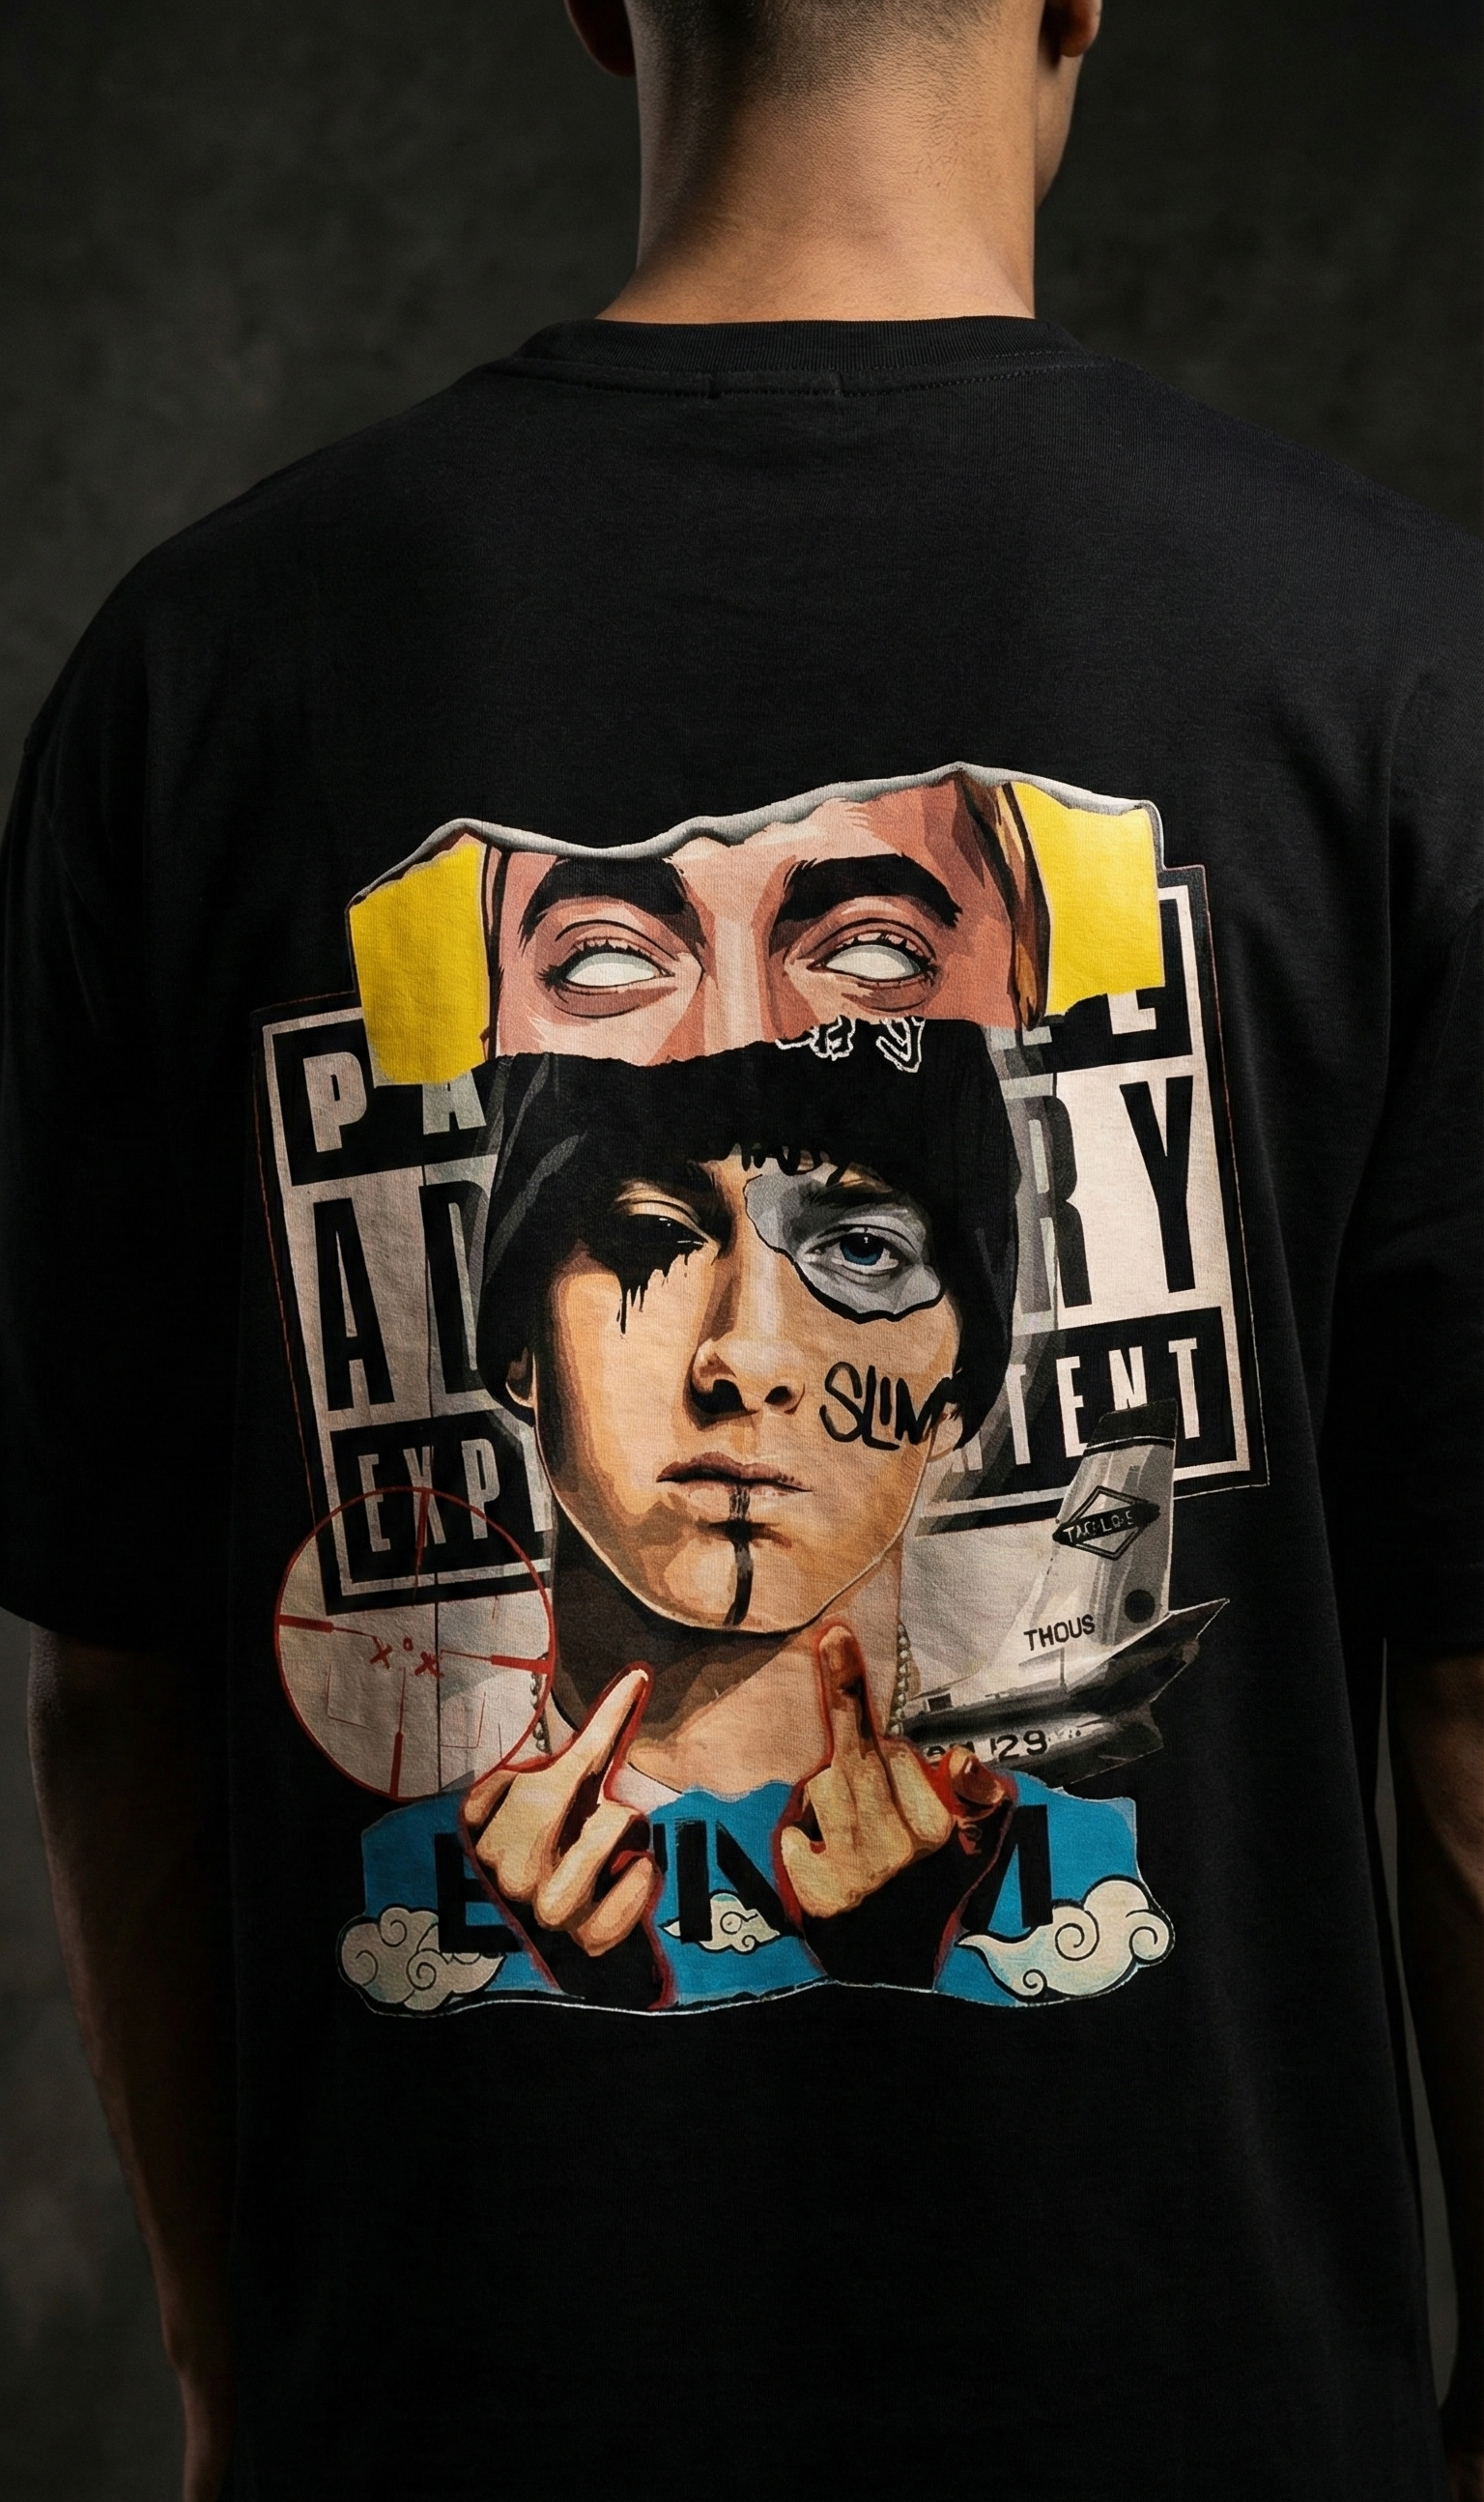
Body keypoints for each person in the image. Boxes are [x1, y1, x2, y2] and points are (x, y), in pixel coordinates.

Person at [3, 6, 1478, 2502]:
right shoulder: (1405, 670)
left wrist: (234, 2377)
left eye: (868, 1254)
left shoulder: (206, 667)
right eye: (638, 1245)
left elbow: (111, 1699)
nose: (743, 1364)